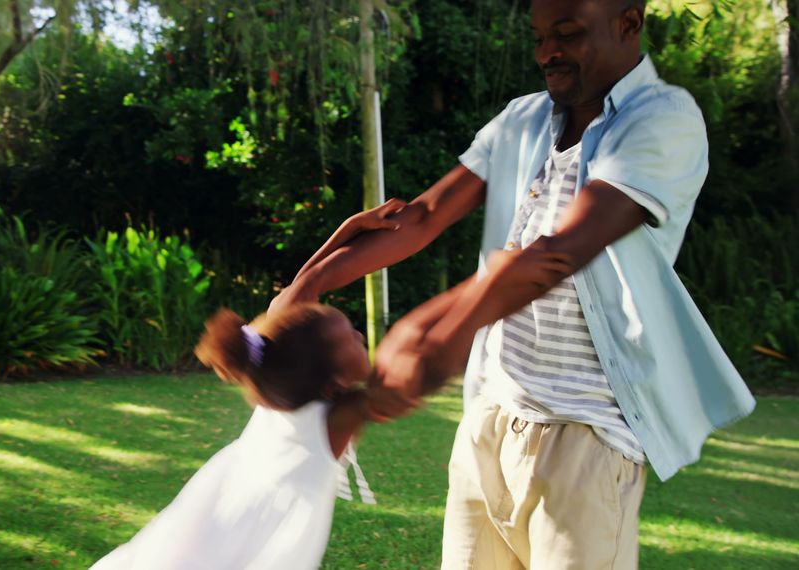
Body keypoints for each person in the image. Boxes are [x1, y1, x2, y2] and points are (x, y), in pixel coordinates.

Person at [271, 0, 756, 568]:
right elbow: (426, 214)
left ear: (628, 23)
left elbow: (557, 253)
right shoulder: (522, 118)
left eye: (568, 34)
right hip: (490, 418)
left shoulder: (663, 119)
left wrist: (434, 332)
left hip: (587, 437)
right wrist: (310, 282)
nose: (548, 53)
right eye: (539, 37)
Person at [90, 304, 378, 570]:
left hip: (213, 529)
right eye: (349, 339)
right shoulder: (335, 421)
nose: (359, 335)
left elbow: (308, 284)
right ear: (332, 382)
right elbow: (405, 373)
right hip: (242, 543)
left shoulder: (278, 375)